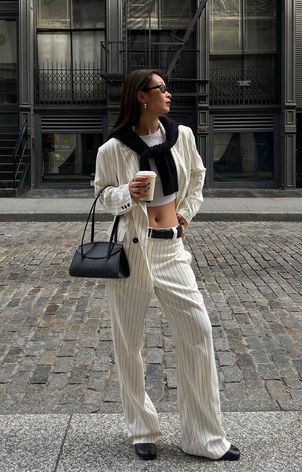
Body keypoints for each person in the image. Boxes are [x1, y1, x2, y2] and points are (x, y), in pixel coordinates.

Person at [94, 69, 240, 462]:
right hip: (132, 251)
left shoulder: (183, 136)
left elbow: (197, 174)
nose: (169, 94)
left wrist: (186, 216)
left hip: (172, 251)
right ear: (141, 97)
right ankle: (142, 429)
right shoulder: (113, 149)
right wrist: (126, 193)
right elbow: (101, 196)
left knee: (198, 331)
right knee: (129, 344)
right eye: (161, 89)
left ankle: (204, 436)